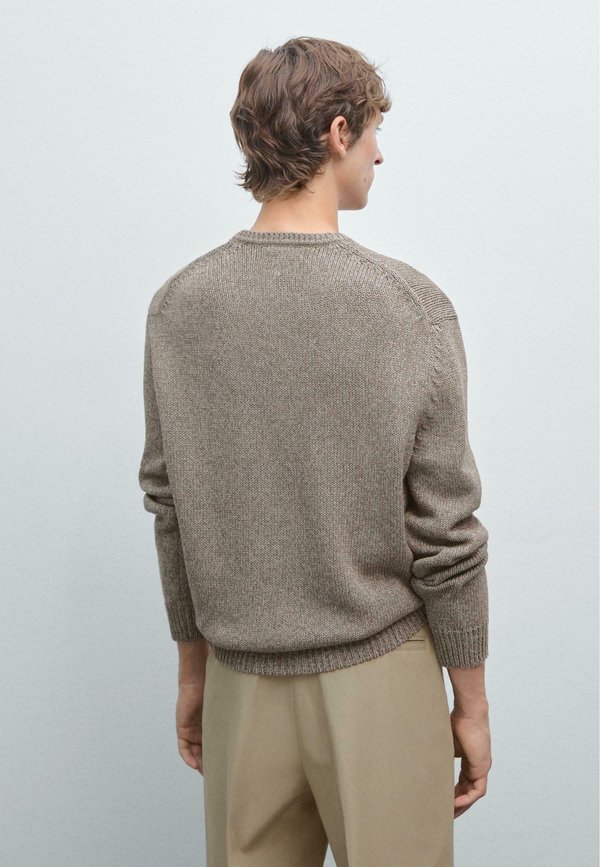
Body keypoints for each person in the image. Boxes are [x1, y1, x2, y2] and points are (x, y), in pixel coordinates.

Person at [138, 35, 492, 867]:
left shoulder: (179, 305)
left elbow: (169, 503)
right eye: (373, 132)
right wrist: (470, 702)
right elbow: (446, 530)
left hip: (238, 681)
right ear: (338, 134)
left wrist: (193, 672)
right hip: (380, 679)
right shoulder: (409, 307)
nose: (379, 154)